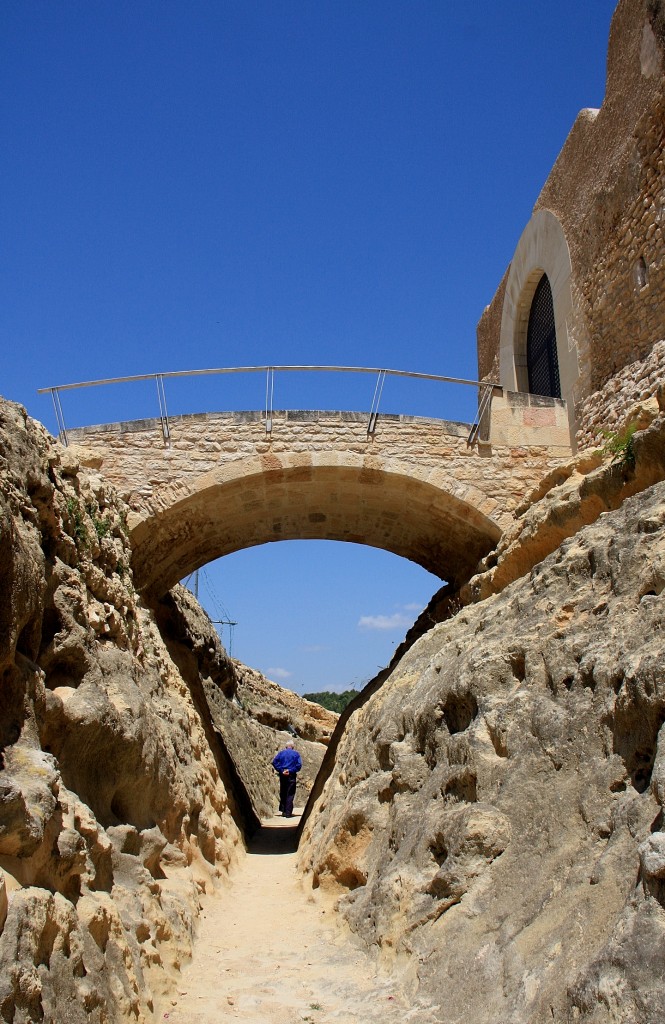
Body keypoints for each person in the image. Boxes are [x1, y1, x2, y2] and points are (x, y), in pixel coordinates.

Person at [271, 741, 302, 818]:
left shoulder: (281, 753)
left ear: (286, 746)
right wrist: (290, 770)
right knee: (290, 793)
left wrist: (281, 770)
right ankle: (288, 813)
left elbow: (274, 762)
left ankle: (284, 811)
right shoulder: (296, 754)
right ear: (293, 747)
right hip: (291, 775)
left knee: (283, 792)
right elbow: (299, 765)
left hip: (282, 775)